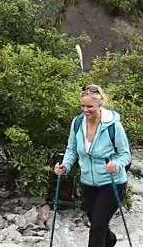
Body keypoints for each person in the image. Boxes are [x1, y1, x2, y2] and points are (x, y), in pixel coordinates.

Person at [54, 84, 132, 247]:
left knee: (96, 228)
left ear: (100, 104)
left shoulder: (113, 126)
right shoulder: (77, 123)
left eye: (89, 106)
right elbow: (72, 149)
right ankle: (109, 240)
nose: (85, 110)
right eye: (83, 106)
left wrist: (116, 164)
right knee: (98, 224)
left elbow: (125, 154)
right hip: (88, 183)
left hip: (112, 182)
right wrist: (65, 166)